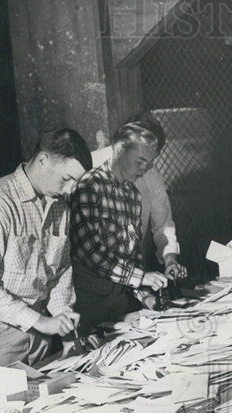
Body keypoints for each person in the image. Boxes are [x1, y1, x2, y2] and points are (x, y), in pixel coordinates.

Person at [0, 128, 92, 389]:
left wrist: (62, 319)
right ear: (43, 161)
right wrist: (42, 322)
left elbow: (60, 269)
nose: (71, 190)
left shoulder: (59, 204)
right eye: (67, 179)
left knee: (41, 411)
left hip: (39, 326)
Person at [69, 117, 178, 332]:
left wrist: (146, 296)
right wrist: (142, 278)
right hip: (88, 306)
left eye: (149, 164)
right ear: (119, 149)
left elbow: (132, 259)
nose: (145, 170)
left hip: (120, 303)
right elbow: (90, 253)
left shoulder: (133, 195)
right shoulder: (89, 184)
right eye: (140, 162)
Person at [90, 112, 187, 281]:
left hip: (133, 273)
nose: (145, 168)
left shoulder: (150, 175)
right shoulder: (91, 167)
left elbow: (163, 224)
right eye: (140, 160)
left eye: (150, 160)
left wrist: (170, 259)